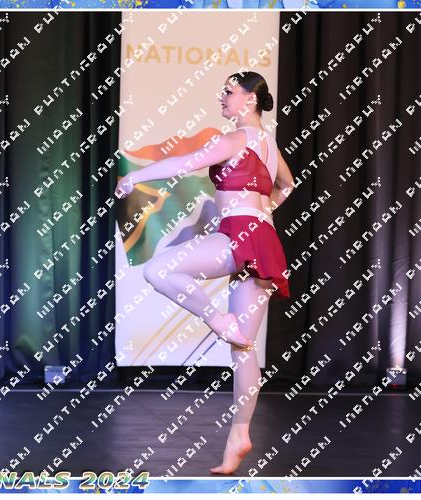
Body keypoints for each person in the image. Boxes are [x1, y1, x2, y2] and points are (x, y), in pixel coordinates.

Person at [115, 71, 294, 475]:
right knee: (243, 346)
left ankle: (216, 318)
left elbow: (185, 163)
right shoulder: (269, 145)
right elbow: (287, 185)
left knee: (159, 270)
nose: (222, 98)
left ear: (250, 99)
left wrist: (134, 176)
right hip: (263, 240)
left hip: (239, 234)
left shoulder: (237, 139)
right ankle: (239, 435)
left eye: (229, 92)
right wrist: (261, 212)